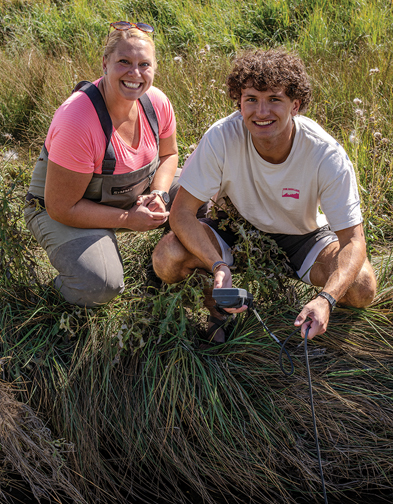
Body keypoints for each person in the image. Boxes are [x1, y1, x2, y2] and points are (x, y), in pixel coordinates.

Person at [152, 48, 377, 343]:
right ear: (239, 103)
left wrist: (327, 298)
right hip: (235, 226)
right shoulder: (221, 137)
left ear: (295, 105)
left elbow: (353, 240)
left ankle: (319, 314)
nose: (261, 112)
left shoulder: (325, 154)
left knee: (362, 288)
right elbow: (181, 212)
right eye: (251, 100)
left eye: (274, 99)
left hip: (302, 236)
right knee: (167, 257)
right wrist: (217, 265)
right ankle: (217, 307)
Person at [24, 21, 180, 307]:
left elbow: (170, 155)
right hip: (63, 210)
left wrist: (159, 193)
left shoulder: (157, 103)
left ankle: (166, 268)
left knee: (201, 200)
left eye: (144, 64)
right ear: (105, 62)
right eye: (124, 62)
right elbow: (61, 206)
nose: (135, 74)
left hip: (132, 198)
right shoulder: (78, 120)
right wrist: (129, 220)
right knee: (99, 285)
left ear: (154, 68)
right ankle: (61, 291)